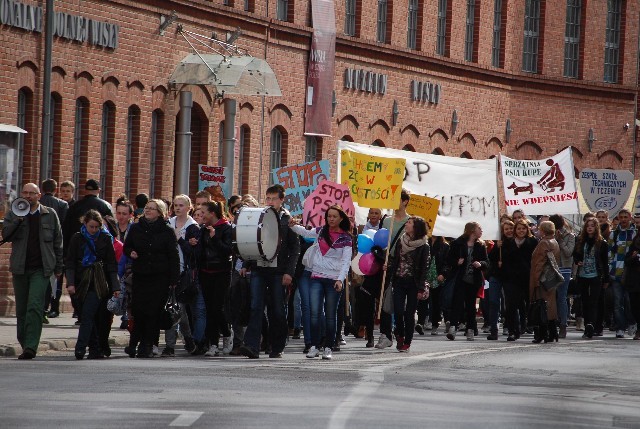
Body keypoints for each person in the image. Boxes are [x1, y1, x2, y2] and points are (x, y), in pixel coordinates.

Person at [2, 183, 64, 359]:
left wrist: (59, 267)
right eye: (25, 193)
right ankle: (24, 342)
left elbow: (58, 242)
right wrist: (18, 220)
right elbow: (6, 235)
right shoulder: (15, 212)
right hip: (20, 268)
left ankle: (31, 346)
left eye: (32, 193)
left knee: (34, 306)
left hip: (41, 268)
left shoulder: (49, 214)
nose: (28, 196)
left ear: (39, 195)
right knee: (21, 309)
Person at [239, 185, 301, 359]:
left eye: (274, 198)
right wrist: (246, 263)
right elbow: (253, 241)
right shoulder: (261, 215)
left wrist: (289, 272)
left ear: (282, 200)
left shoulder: (287, 219)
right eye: (268, 198)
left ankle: (277, 345)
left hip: (278, 271)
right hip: (259, 267)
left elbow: (295, 248)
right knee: (256, 307)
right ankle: (252, 345)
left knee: (277, 309)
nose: (270, 202)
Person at [291, 205, 353, 359]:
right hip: (316, 276)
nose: (331, 219)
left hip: (334, 280)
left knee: (331, 315)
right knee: (314, 313)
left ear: (341, 218)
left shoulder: (346, 238)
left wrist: (340, 279)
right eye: (329, 216)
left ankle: (328, 347)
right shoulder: (321, 231)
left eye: (334, 216)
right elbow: (305, 232)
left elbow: (346, 262)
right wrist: (293, 225)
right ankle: (313, 346)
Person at [123, 199, 179, 358]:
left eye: (152, 209)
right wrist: (130, 252)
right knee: (138, 310)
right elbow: (127, 246)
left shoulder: (166, 231)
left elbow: (173, 256)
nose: (148, 211)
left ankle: (147, 345)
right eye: (147, 208)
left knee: (153, 312)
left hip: (160, 277)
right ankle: (133, 344)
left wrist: (174, 280)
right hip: (141, 275)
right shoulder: (136, 228)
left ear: (160, 212)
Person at [65, 210, 120, 359]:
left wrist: (115, 286)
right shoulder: (77, 238)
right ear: (85, 223)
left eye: (97, 227)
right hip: (80, 281)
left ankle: (80, 348)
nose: (94, 230)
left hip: (98, 282)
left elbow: (111, 264)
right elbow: (70, 262)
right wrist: (70, 283)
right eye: (91, 226)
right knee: (85, 316)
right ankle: (95, 348)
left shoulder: (105, 238)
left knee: (88, 314)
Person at [384, 216, 429, 352]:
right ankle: (400, 334)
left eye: (409, 223)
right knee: (398, 310)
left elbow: (424, 268)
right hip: (399, 280)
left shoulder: (424, 246)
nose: (406, 224)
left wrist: (421, 288)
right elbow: (395, 260)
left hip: (413, 283)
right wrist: (389, 266)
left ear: (416, 227)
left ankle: (407, 342)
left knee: (409, 313)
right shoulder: (400, 241)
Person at [163, 194, 201, 357]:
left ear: (188, 208)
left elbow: (192, 253)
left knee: (179, 309)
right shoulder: (168, 224)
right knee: (172, 308)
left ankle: (184, 340)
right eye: (175, 205)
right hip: (169, 270)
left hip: (184, 273)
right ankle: (173, 344)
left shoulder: (192, 227)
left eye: (181, 205)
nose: (177, 208)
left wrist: (179, 238)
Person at [375, 189, 411, 349]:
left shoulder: (411, 221)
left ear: (405, 201)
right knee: (385, 298)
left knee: (400, 302)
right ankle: (385, 334)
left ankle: (400, 332)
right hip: (388, 263)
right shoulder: (386, 221)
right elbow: (381, 241)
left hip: (404, 264)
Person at [197, 201, 233, 356]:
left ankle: (226, 333)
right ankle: (213, 344)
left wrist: (214, 238)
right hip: (205, 272)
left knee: (217, 308)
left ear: (212, 213)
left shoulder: (226, 228)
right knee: (209, 308)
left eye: (203, 212)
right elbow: (201, 252)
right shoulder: (203, 229)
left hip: (221, 271)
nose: (201, 215)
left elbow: (228, 251)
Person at [446, 222, 489, 341]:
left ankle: (470, 329)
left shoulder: (481, 245)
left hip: (473, 280)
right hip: (460, 278)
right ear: (471, 231)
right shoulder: (457, 243)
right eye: (479, 229)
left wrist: (481, 264)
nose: (481, 231)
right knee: (457, 303)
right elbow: (449, 259)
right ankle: (453, 328)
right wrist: (456, 262)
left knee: (471, 306)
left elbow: (486, 262)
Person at [502, 219, 538, 341]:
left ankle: (533, 327)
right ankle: (513, 331)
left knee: (530, 304)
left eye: (523, 228)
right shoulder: (508, 242)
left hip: (528, 277)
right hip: (512, 278)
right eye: (518, 229)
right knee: (511, 305)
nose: (521, 231)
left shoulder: (533, 241)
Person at [573, 217, 609, 339]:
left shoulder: (601, 242)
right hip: (583, 275)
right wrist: (578, 261)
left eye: (592, 225)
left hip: (596, 275)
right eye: (588, 225)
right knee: (585, 301)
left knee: (594, 301)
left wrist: (606, 279)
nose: (589, 227)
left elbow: (604, 262)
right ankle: (588, 323)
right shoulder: (580, 240)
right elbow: (575, 255)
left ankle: (591, 325)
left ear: (596, 228)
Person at [40, 178, 69, 319]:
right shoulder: (62, 205)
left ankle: (41, 308)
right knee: (55, 279)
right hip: (54, 248)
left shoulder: (36, 204)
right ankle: (54, 307)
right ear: (55, 189)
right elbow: (63, 228)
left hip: (38, 248)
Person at [529, 220, 561, 343]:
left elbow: (539, 263)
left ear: (543, 230)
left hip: (542, 279)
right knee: (550, 306)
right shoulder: (554, 242)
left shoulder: (544, 243)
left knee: (542, 306)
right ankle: (553, 332)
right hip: (551, 279)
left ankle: (543, 333)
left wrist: (536, 280)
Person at [608, 208, 636, 338]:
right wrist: (610, 267)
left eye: (626, 217)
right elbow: (610, 252)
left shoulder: (635, 233)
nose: (623, 220)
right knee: (617, 302)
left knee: (630, 301)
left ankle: (632, 322)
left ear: (630, 218)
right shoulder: (614, 233)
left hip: (631, 272)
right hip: (616, 272)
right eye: (621, 217)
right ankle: (620, 327)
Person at [63, 179, 114, 250]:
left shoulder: (74, 206)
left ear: (85, 190)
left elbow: (66, 230)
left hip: (77, 247)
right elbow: (112, 228)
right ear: (99, 190)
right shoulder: (105, 206)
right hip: (99, 247)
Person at [486, 220, 514, 340]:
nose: (509, 231)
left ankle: (510, 327)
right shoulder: (499, 242)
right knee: (493, 302)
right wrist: (497, 248)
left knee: (509, 303)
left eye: (510, 228)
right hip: (496, 275)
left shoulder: (515, 242)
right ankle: (494, 329)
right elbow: (490, 258)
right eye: (506, 229)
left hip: (509, 276)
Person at [549, 214, 575, 338]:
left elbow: (568, 253)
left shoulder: (569, 236)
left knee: (562, 297)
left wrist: (559, 240)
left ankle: (563, 325)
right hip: (551, 268)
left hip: (564, 268)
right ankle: (552, 324)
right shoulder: (549, 236)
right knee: (551, 297)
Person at [622, 233, 640, 340]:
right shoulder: (633, 247)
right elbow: (627, 261)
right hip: (634, 282)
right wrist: (633, 257)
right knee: (634, 306)